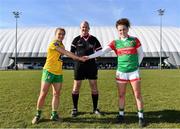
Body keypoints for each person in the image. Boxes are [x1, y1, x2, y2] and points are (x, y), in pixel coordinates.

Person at [85, 18, 146, 127]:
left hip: (133, 72)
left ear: (128, 29)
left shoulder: (134, 40)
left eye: (124, 29)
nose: (122, 32)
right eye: (120, 30)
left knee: (137, 94)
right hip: (121, 72)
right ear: (117, 31)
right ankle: (121, 115)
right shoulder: (115, 43)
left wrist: (137, 65)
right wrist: (89, 57)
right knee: (121, 95)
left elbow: (141, 54)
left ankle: (141, 117)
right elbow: (102, 51)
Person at [32, 28, 85, 124]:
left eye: (63, 34)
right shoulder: (54, 43)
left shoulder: (62, 45)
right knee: (43, 94)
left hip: (58, 73)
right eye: (59, 34)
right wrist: (79, 58)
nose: (61, 36)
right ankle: (38, 115)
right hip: (48, 71)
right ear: (55, 34)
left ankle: (54, 115)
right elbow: (66, 53)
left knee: (56, 94)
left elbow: (65, 53)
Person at [70, 21, 102, 117]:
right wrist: (78, 59)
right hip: (79, 66)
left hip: (91, 66)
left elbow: (100, 52)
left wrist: (93, 58)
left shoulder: (94, 39)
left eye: (86, 27)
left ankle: (95, 108)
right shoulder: (76, 40)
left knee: (94, 87)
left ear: (89, 28)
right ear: (80, 28)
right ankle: (75, 108)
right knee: (76, 87)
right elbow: (71, 53)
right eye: (83, 27)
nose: (84, 29)